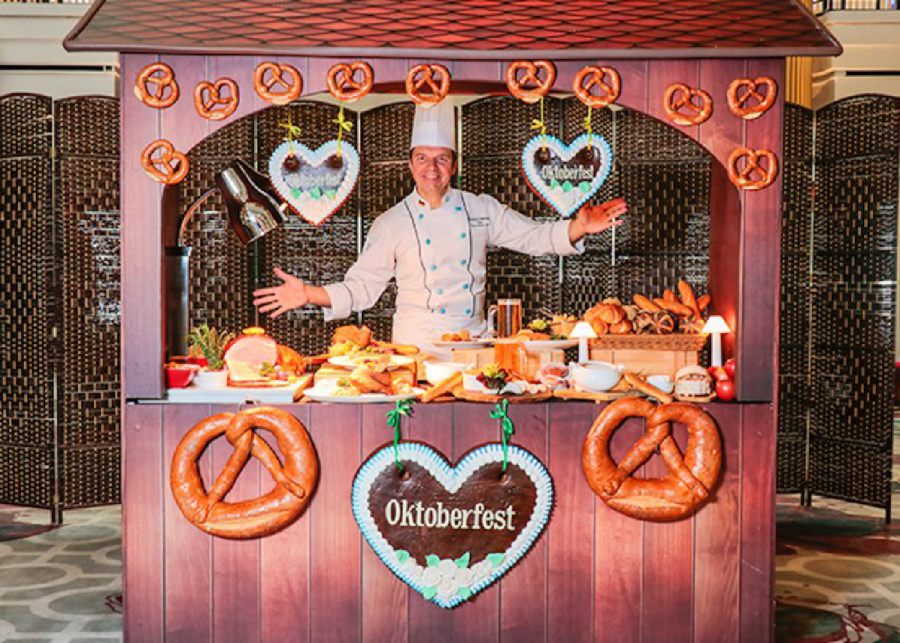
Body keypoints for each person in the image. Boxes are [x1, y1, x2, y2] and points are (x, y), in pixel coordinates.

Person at [253, 100, 626, 353]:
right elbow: (362, 289)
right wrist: (308, 294)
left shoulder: (480, 208)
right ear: (411, 165)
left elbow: (533, 236)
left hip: (475, 345)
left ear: (454, 165)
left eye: (441, 159)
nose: (432, 168)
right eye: (423, 158)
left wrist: (577, 227)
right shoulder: (392, 222)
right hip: (417, 349)